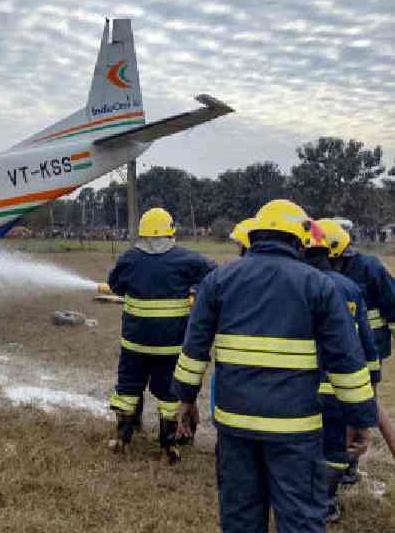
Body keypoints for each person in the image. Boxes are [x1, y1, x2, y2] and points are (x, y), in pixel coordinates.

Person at [172, 199, 376, 533]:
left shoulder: (219, 280)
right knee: (300, 519)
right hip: (296, 430)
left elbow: (193, 349)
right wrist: (359, 419)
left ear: (254, 236)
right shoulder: (319, 285)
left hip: (235, 426)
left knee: (240, 518)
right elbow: (346, 361)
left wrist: (186, 398)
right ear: (300, 240)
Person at [107, 207, 216, 463]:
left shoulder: (129, 259)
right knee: (169, 394)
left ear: (142, 233)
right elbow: (214, 276)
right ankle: (169, 445)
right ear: (171, 232)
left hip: (134, 344)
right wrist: (195, 292)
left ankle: (122, 437)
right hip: (171, 347)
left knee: (128, 387)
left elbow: (115, 285)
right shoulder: (187, 259)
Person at [305, 219, 378, 523]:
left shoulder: (294, 284)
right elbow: (365, 344)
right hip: (338, 390)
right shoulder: (349, 288)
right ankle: (326, 501)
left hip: (299, 388)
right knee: (335, 448)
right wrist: (371, 383)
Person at [329, 219, 395, 485]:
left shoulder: (370, 267)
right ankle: (345, 467)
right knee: (355, 407)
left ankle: (348, 467)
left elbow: (392, 304)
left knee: (364, 406)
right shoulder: (320, 272)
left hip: (369, 348)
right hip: (342, 349)